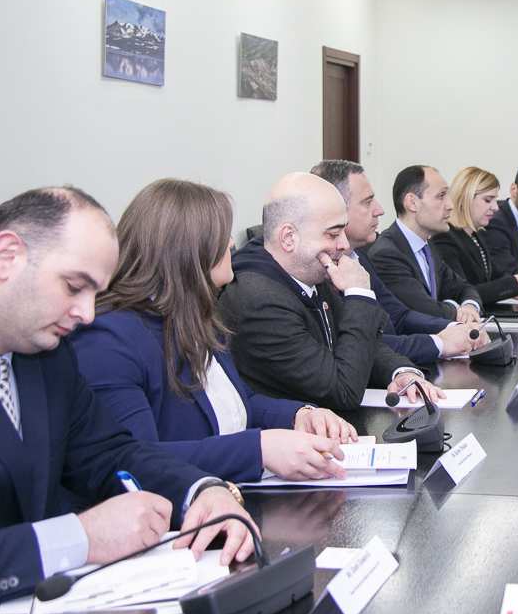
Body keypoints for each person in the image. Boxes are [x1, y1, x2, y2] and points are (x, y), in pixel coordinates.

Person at [0, 187, 255, 614]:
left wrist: (202, 491)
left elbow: (110, 453)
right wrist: (77, 539)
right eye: (74, 287)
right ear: (6, 256)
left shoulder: (44, 348)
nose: (86, 313)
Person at [72, 179, 359, 485]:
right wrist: (257, 450)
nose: (232, 244)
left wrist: (300, 415)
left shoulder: (197, 313)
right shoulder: (108, 339)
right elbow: (134, 460)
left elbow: (237, 403)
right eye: (222, 236)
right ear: (188, 249)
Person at [217, 173, 444, 410]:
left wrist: (400, 372)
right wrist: (359, 295)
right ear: (288, 238)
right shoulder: (259, 302)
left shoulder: (310, 273)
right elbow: (343, 391)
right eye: (333, 234)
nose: (344, 245)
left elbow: (357, 345)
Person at [312, 160, 489, 364]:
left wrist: (456, 328)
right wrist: (440, 343)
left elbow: (399, 316)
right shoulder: (325, 270)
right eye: (367, 202)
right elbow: (361, 345)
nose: (380, 210)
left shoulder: (359, 258)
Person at [368, 166, 484, 323]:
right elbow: (426, 311)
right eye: (441, 196)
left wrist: (470, 306)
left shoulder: (428, 247)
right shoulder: (387, 255)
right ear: (412, 203)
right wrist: (455, 307)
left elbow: (464, 288)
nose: (450, 205)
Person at [432, 166, 518, 304]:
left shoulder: (476, 235)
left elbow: (497, 275)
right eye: (488, 200)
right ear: (465, 199)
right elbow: (460, 294)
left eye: (495, 200)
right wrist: (515, 283)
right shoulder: (445, 239)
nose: (495, 207)